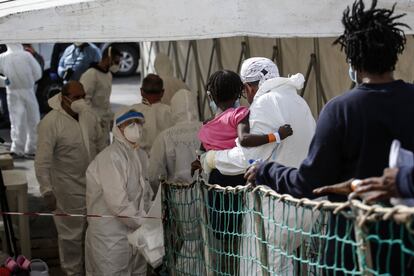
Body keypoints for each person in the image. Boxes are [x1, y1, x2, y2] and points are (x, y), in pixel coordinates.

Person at [244, 1, 414, 274]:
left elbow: (309, 184)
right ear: (395, 53)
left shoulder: (340, 110)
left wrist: (267, 171)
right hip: (407, 246)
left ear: (352, 59)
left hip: (353, 250)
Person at [35, 81, 105, 276]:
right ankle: (72, 272)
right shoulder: (50, 123)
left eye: (83, 96)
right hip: (67, 190)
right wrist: (46, 190)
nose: (81, 101)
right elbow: (42, 160)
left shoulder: (89, 117)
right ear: (64, 98)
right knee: (70, 237)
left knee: (95, 232)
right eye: (76, 97)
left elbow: (101, 145)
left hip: (94, 187)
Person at [85, 108, 153, 276]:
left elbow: (146, 191)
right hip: (110, 236)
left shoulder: (140, 155)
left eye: (138, 123)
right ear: (118, 128)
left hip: (135, 234)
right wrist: (146, 221)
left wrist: (151, 213)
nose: (135, 127)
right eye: (129, 124)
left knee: (137, 271)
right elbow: (118, 204)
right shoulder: (110, 158)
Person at [149, 89, 201, 192]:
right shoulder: (209, 130)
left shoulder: (164, 137)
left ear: (173, 109)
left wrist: (162, 195)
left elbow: (154, 175)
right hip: (208, 197)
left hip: (177, 199)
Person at [0, 43, 42, 158]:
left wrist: (5, 82)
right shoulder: (27, 56)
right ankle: (32, 148)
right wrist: (29, 81)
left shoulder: (3, 57)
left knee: (16, 121)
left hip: (12, 92)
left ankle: (18, 148)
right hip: (28, 90)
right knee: (33, 120)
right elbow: (38, 73)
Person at [80, 46, 122, 145]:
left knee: (105, 151)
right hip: (93, 123)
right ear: (108, 58)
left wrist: (111, 117)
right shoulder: (91, 75)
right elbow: (84, 100)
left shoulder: (108, 75)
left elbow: (105, 100)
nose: (118, 65)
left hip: (104, 123)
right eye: (116, 61)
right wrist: (95, 120)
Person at [131, 74, 173, 154]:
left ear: (141, 91)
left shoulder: (131, 113)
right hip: (164, 164)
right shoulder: (171, 112)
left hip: (137, 163)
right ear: (162, 92)